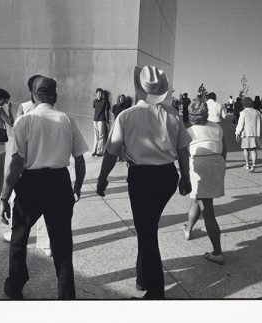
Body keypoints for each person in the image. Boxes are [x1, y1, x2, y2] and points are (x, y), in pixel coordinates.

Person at [96, 65, 192, 300]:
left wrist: (102, 178)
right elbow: (182, 150)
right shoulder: (172, 114)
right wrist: (186, 177)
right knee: (147, 228)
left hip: (142, 178)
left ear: (139, 88)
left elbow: (111, 152)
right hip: (168, 176)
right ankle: (142, 278)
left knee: (147, 232)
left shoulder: (126, 116)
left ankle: (156, 292)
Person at [0, 76, 88, 300]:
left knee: (19, 236)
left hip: (31, 184)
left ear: (32, 96)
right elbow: (79, 159)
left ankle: (16, 284)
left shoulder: (24, 121)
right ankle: (66, 294)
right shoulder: (68, 119)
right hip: (59, 183)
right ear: (55, 96)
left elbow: (17, 163)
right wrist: (77, 187)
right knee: (62, 242)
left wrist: (4, 197)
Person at [3, 74, 52, 257]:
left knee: (19, 202)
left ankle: (15, 232)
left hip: (25, 161)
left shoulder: (24, 107)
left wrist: (9, 113)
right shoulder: (50, 107)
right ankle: (46, 243)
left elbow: (16, 129)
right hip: (45, 158)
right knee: (46, 206)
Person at [182, 100, 226, 265]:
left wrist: (185, 175)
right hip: (216, 164)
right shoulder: (217, 127)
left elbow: (184, 154)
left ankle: (217, 252)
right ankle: (188, 229)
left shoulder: (190, 131)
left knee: (207, 210)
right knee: (197, 199)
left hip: (200, 167)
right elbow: (224, 149)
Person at [235, 97, 262, 172]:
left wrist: (237, 132)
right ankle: (254, 165)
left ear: (243, 104)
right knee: (253, 149)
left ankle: (247, 164)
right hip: (255, 133)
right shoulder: (257, 112)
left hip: (246, 133)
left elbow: (240, 123)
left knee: (246, 149)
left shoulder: (243, 112)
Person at [112, 94, 131, 161]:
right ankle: (117, 156)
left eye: (123, 98)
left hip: (123, 126)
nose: (121, 99)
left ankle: (122, 156)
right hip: (116, 126)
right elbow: (113, 116)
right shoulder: (115, 107)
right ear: (118, 99)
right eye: (120, 98)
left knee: (123, 142)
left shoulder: (126, 107)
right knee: (116, 142)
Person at [92, 88, 110, 157]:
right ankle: (94, 151)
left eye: (101, 93)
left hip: (101, 120)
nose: (100, 95)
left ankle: (99, 152)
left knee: (101, 136)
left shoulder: (105, 101)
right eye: (98, 93)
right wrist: (94, 118)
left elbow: (106, 111)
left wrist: (107, 120)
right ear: (96, 94)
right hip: (95, 120)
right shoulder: (94, 101)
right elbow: (95, 110)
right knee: (96, 135)